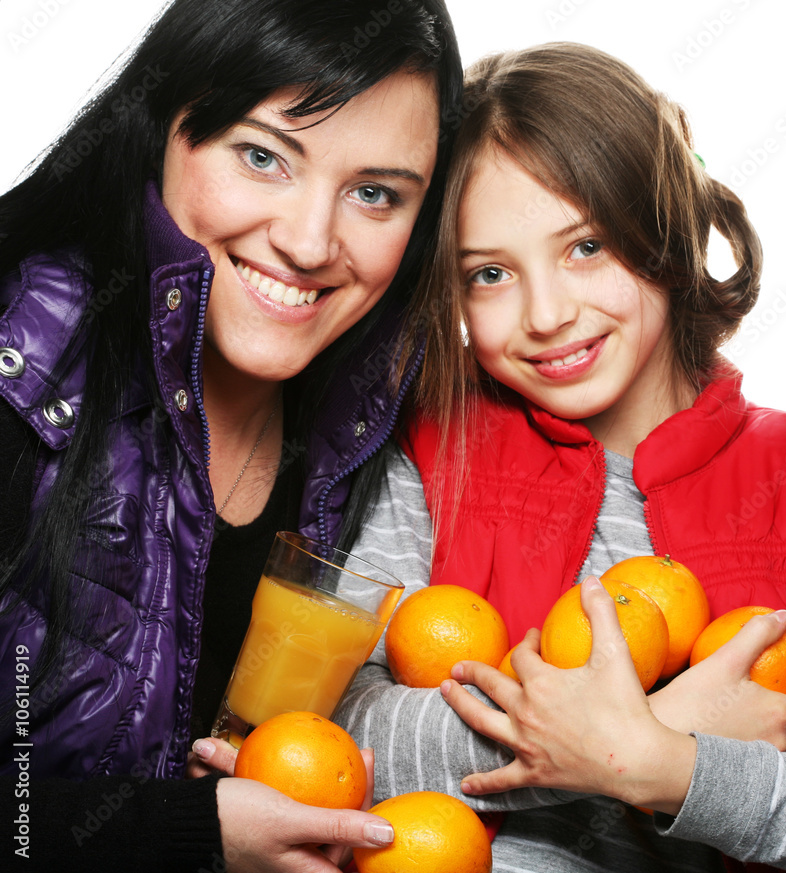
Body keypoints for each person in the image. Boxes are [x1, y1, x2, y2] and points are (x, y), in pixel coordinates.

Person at [333, 42, 786, 872]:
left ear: (667, 229)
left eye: (585, 247)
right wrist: (624, 739)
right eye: (490, 273)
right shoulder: (434, 446)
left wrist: (674, 768)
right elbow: (336, 730)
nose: (546, 313)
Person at [0, 0, 462, 869]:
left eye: (374, 194)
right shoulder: (19, 365)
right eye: (262, 156)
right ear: (160, 128)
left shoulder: (378, 420)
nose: (309, 242)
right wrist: (189, 833)